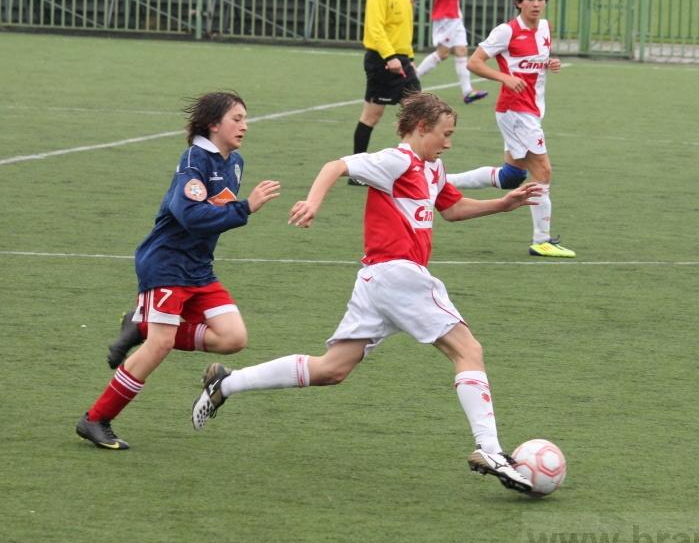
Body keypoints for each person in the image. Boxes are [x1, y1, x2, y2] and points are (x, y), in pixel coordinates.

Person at [191, 92, 538, 494]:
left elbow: (452, 209)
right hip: (397, 273)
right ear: (422, 128)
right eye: (445, 134)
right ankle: (491, 449)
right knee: (468, 350)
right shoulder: (396, 160)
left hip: (378, 282)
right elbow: (336, 165)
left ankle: (225, 384)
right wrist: (313, 201)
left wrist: (503, 204)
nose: (448, 143)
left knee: (331, 369)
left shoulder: (433, 169)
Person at [75, 91, 281, 450]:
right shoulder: (194, 162)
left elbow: (212, 216)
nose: (245, 126)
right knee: (160, 345)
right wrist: (246, 207)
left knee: (233, 339)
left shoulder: (234, 163)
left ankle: (140, 325)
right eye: (237, 119)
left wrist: (240, 209)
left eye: (246, 118)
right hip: (167, 263)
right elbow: (190, 215)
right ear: (213, 124)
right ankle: (95, 419)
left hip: (199, 269)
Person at [446, 0, 575, 258]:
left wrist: (549, 63)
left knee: (511, 177)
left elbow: (537, 61)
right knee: (543, 170)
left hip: (532, 110)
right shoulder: (507, 31)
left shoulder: (545, 28)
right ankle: (542, 240)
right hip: (516, 110)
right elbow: (474, 61)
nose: (536, 4)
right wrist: (504, 77)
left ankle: (443, 179)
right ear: (519, 2)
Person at [350, 0, 422, 183]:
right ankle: (356, 172)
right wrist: (390, 57)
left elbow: (403, 30)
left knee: (420, 110)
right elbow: (375, 27)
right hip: (382, 61)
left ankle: (413, 167)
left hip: (401, 61)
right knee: (372, 116)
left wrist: (408, 59)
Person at [414, 0, 489, 105]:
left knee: (462, 51)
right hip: (446, 16)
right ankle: (411, 81)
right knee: (443, 53)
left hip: (455, 15)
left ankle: (467, 91)